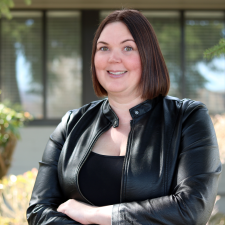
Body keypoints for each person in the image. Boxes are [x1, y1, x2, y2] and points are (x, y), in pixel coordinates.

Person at [27, 9, 221, 225]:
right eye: (103, 48)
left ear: (149, 56)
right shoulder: (71, 124)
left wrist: (96, 215)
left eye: (128, 48)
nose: (113, 58)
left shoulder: (188, 118)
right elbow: (39, 209)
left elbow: (192, 209)